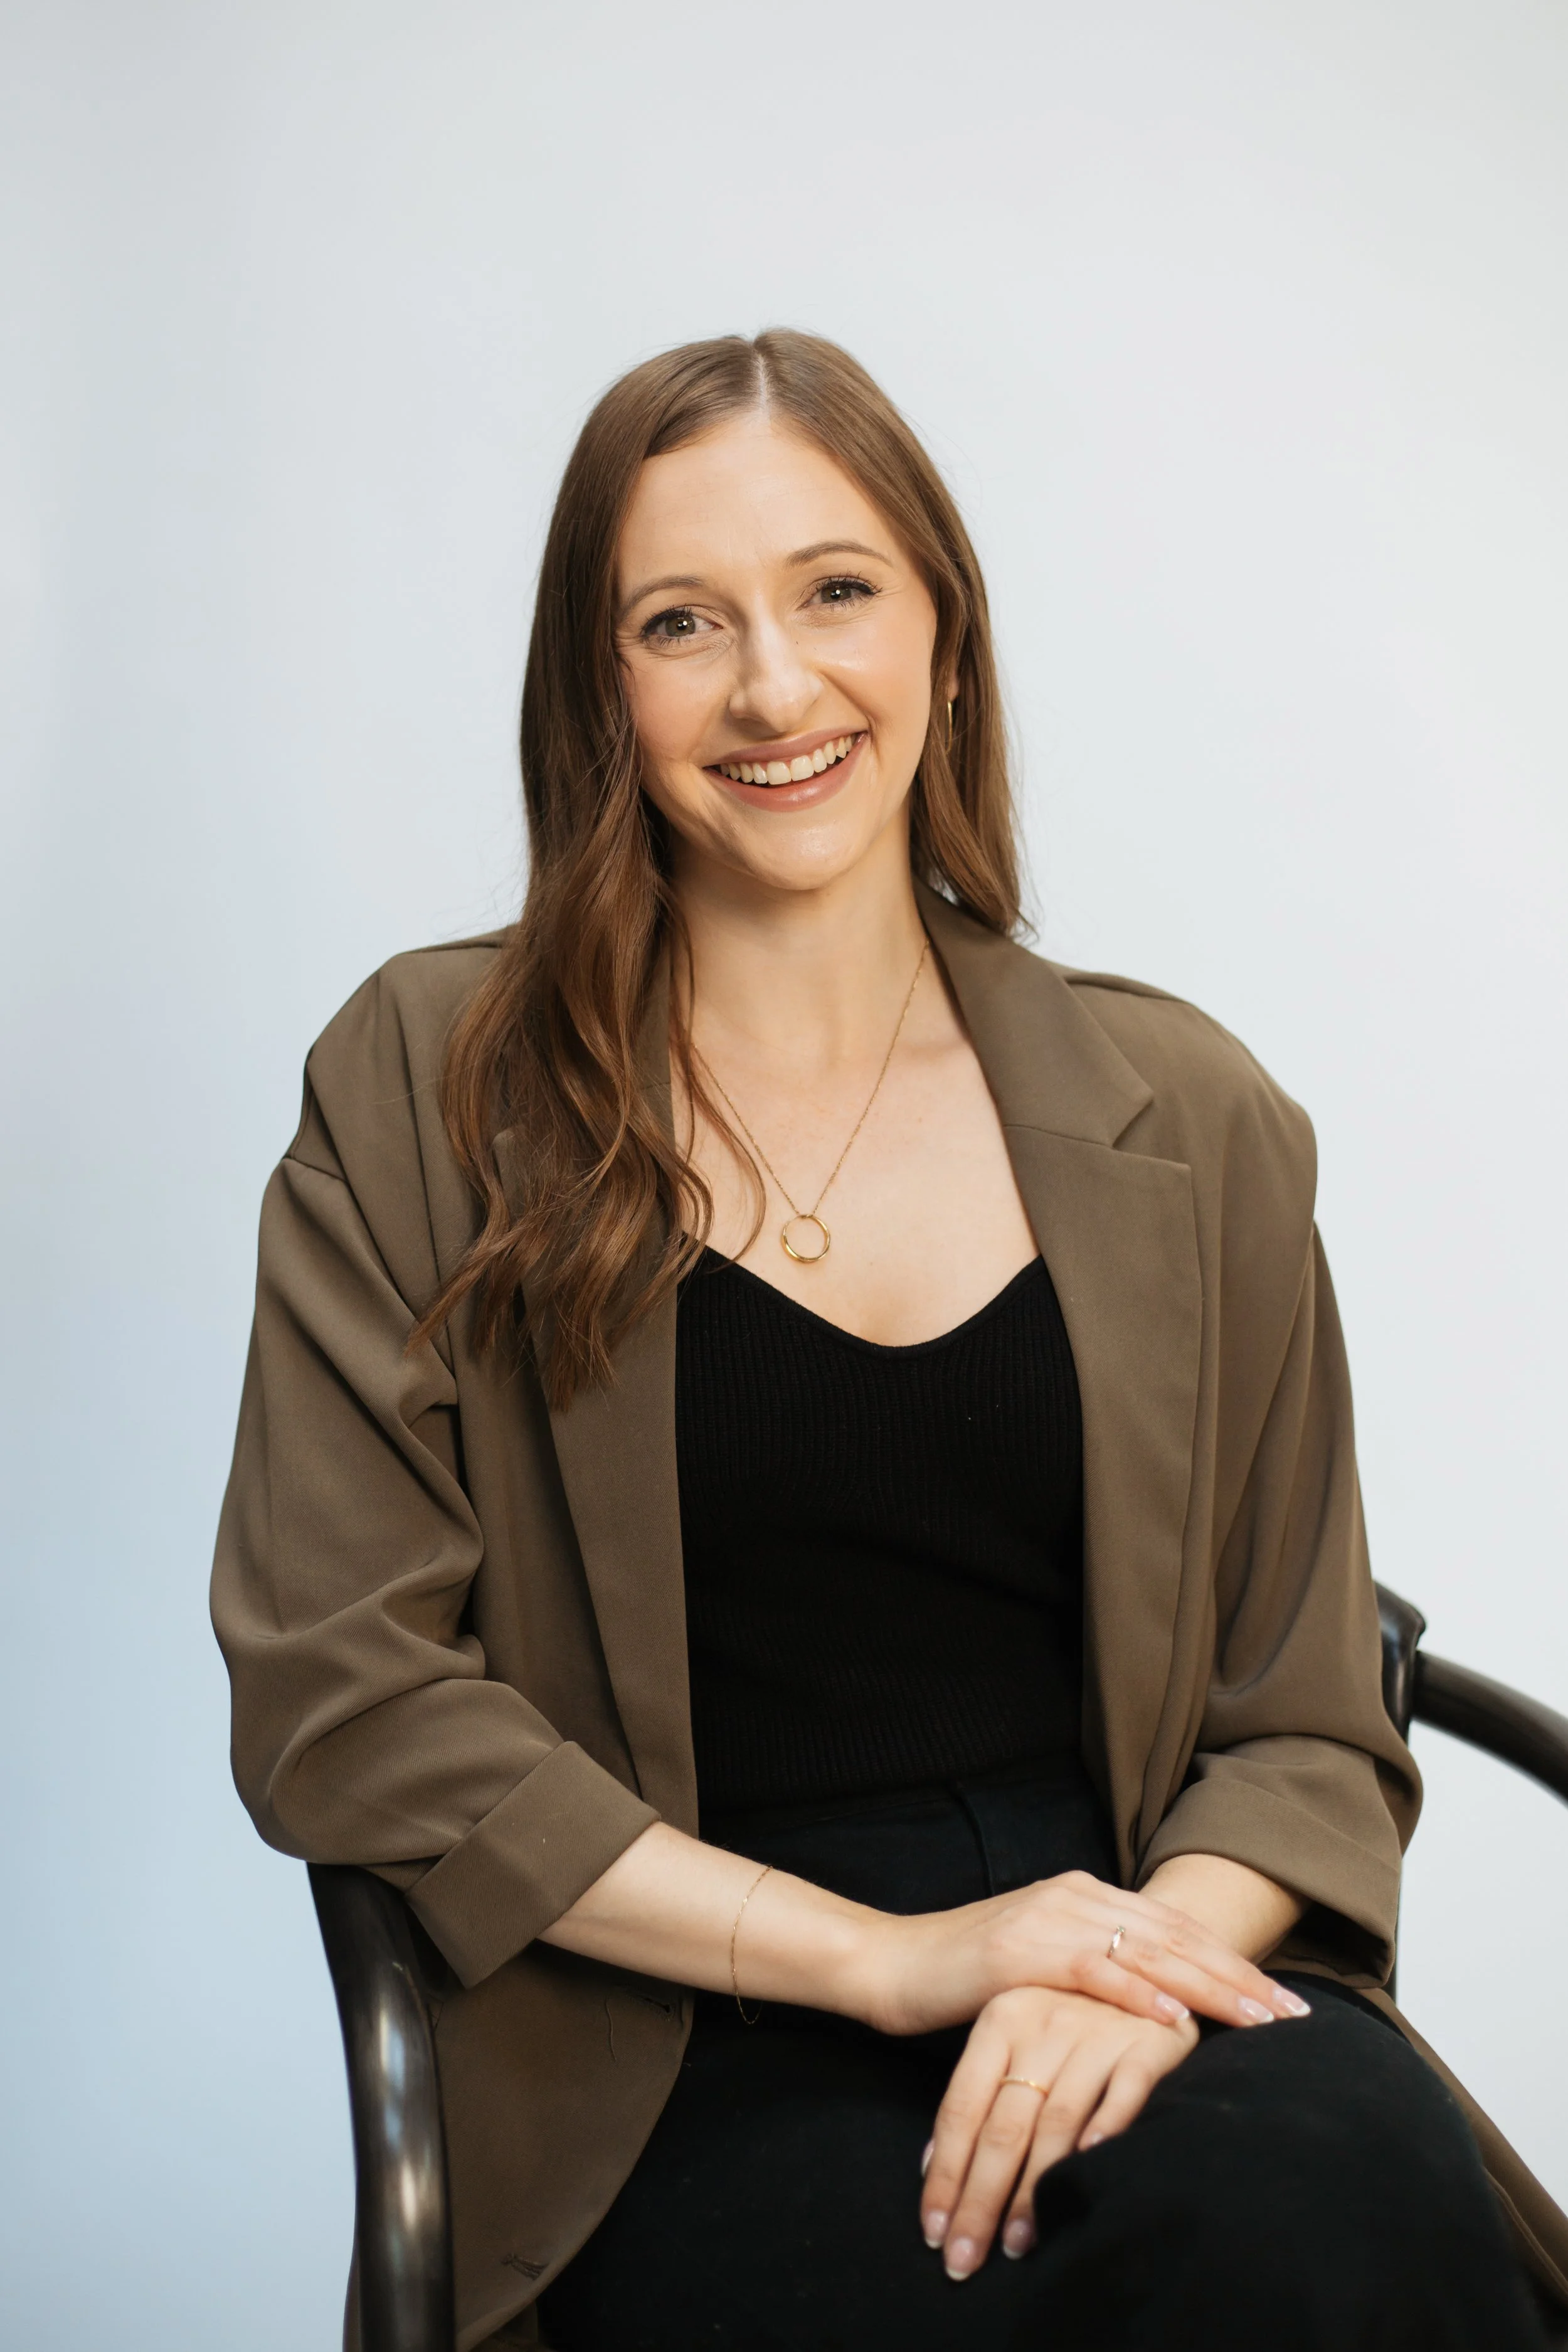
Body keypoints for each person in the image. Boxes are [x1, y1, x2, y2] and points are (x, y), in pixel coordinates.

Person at [212, 331, 1565, 2352]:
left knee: (1347, 2232)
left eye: (836, 589)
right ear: (602, 686)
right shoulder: (428, 1083)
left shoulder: (1186, 1113)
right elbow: (347, 1696)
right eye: (683, 621)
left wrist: (1086, 1976)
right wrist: (897, 1961)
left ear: (943, 631)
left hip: (1127, 1962)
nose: (774, 686)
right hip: (666, 2019)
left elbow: (1299, 1717)